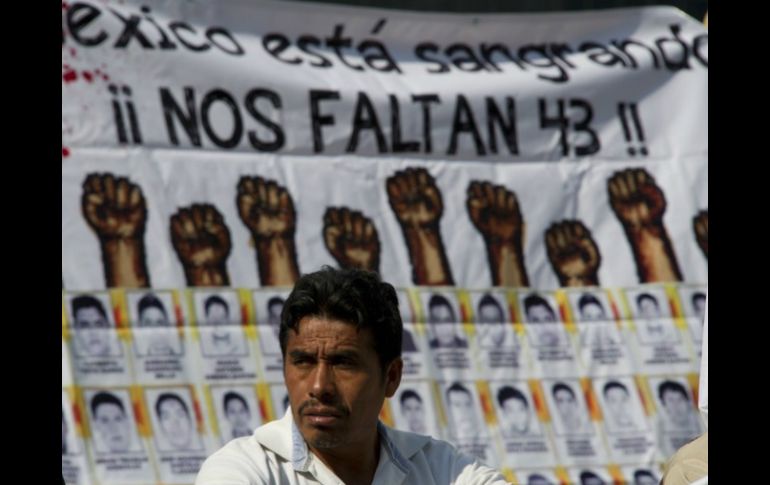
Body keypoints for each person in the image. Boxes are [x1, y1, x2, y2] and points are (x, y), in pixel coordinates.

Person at [196, 267, 506, 485]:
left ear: (392, 377)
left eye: (343, 363)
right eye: (302, 361)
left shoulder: (443, 469)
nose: (319, 387)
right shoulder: (242, 469)